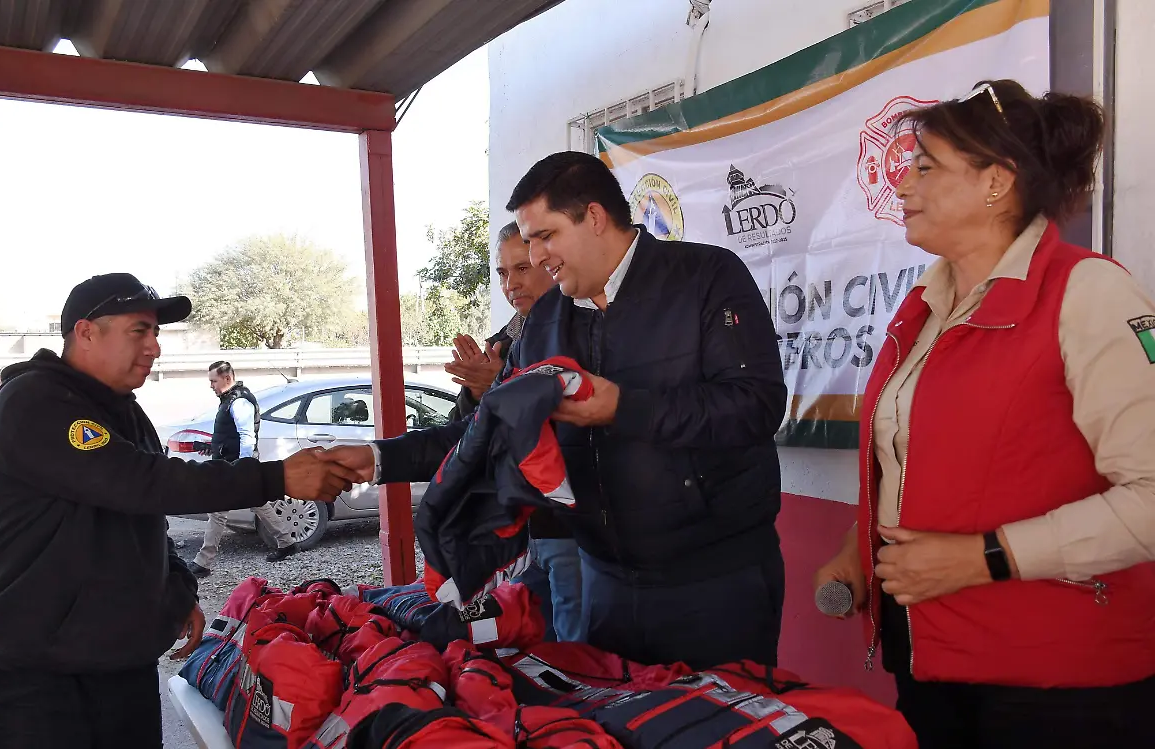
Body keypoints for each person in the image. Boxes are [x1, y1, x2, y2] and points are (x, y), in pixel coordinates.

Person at [320, 152, 788, 670]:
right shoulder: (544, 322)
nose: (537, 255)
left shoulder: (705, 276)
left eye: (545, 236)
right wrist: (379, 459)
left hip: (716, 583)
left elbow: (757, 405)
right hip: (605, 584)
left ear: (593, 217)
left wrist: (623, 408)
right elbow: (485, 434)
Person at [813, 80, 1155, 748]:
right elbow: (912, 460)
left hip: (1058, 684)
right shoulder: (923, 309)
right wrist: (860, 548)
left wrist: (985, 557)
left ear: (997, 182)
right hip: (931, 660)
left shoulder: (1089, 292)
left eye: (926, 166)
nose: (903, 185)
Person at [0, 273, 353, 749]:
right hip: (37, 680)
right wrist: (277, 477)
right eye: (138, 331)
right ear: (86, 332)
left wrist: (172, 586)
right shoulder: (35, 400)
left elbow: (141, 513)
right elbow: (142, 482)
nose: (154, 348)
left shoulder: (124, 410)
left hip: (120, 671)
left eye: (156, 333)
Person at [444, 222, 583, 643]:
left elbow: (575, 423)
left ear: (550, 263)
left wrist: (499, 390)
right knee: (529, 641)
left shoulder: (584, 328)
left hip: (572, 526)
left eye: (521, 269)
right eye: (503, 274)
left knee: (580, 651)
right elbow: (463, 438)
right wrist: (476, 394)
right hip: (525, 530)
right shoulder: (504, 342)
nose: (511, 285)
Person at [186, 361, 299, 577]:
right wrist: (211, 448)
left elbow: (246, 437)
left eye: (213, 381)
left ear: (227, 379)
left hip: (236, 466)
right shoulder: (229, 400)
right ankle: (286, 542)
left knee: (217, 510)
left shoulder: (239, 402)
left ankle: (203, 562)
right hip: (233, 464)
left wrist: (243, 468)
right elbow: (231, 437)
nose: (211, 385)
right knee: (257, 502)